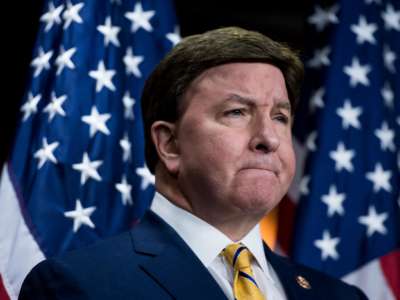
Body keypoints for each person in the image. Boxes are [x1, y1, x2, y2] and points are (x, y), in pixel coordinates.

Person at [19, 27, 368, 300]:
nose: (270, 138)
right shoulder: (79, 287)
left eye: (280, 116)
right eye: (237, 112)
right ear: (169, 144)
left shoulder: (340, 296)